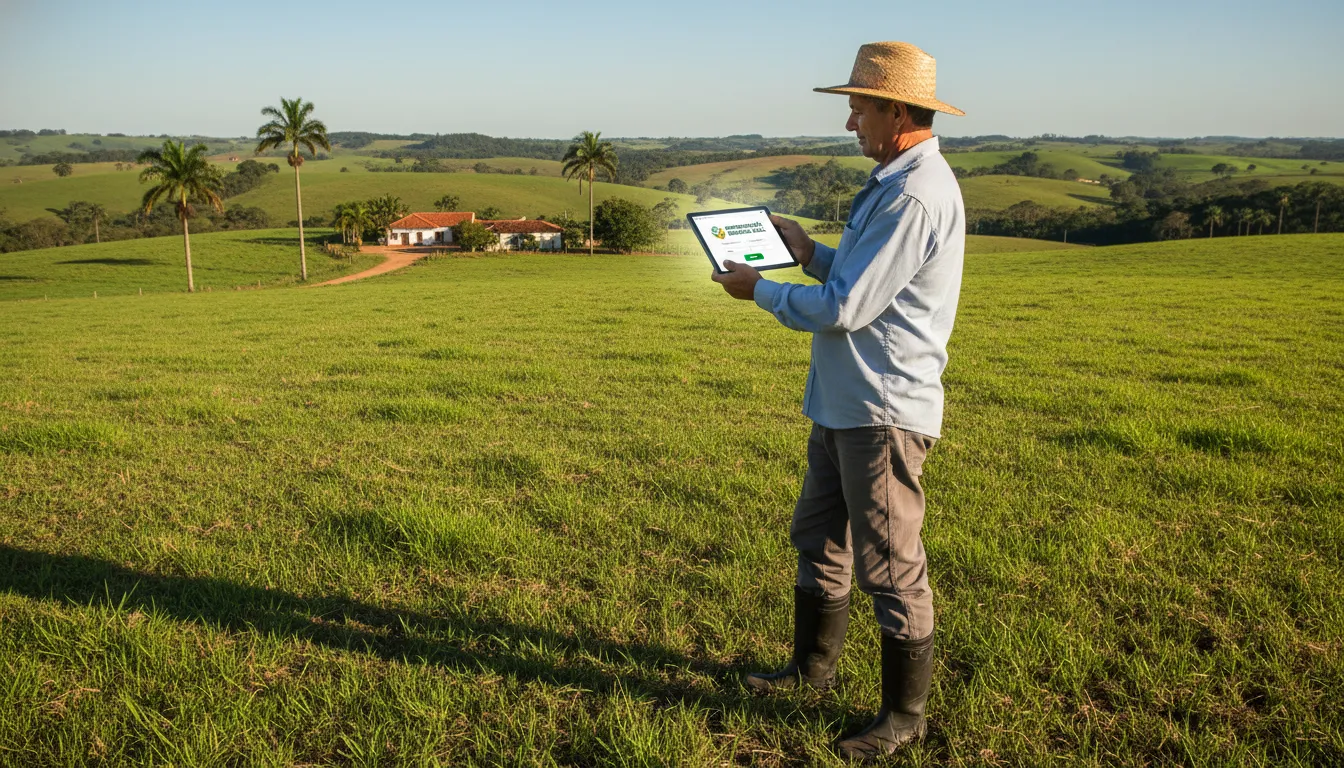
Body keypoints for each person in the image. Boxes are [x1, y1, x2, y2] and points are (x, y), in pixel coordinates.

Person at [711, 41, 965, 760]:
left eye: (859, 106)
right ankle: (809, 674)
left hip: (881, 409)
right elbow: (856, 279)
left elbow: (846, 308)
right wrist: (807, 250)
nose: (850, 121)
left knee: (889, 562)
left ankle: (903, 718)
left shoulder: (914, 195)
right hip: (843, 400)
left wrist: (758, 290)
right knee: (819, 537)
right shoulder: (893, 182)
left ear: (895, 109)